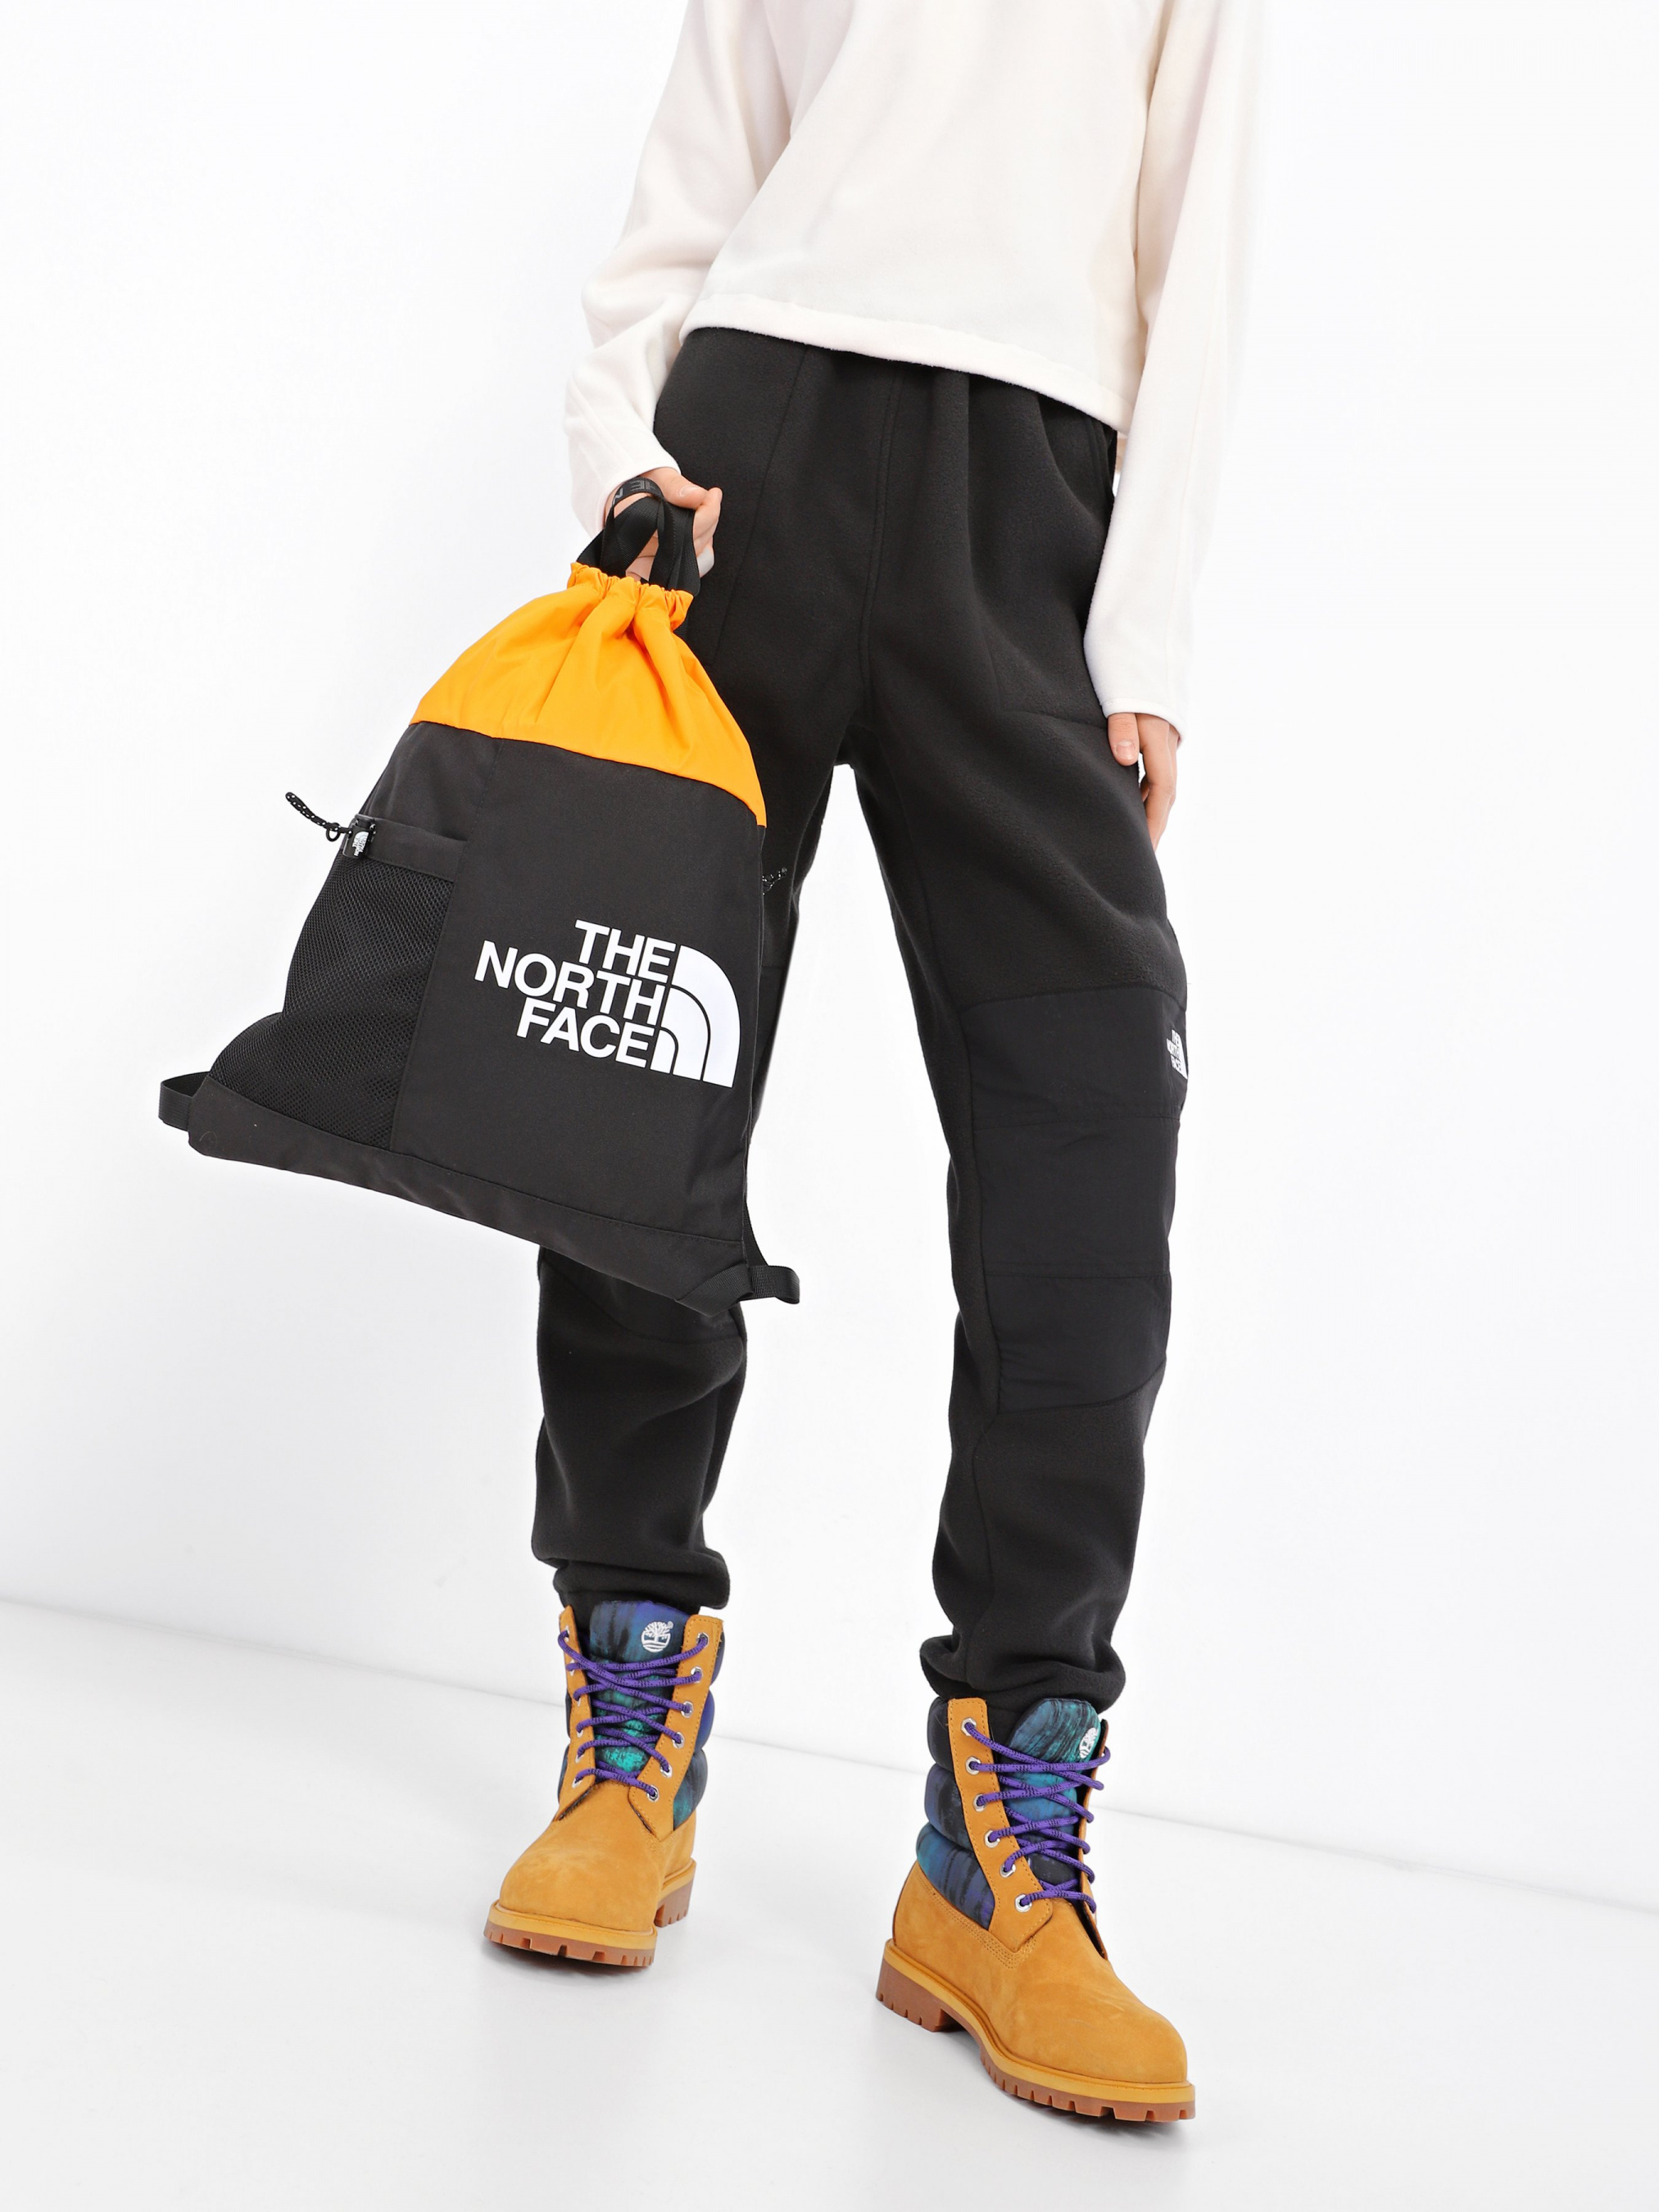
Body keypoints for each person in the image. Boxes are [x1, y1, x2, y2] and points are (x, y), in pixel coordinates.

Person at [484, 0, 1258, 2124]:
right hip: (746, 460)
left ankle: (997, 1847)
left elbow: (1199, 228)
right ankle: (628, 1727)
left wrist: (1146, 632)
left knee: (1088, 1129)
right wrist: (622, 466)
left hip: (1030, 498)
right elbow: (698, 168)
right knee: (636, 1081)